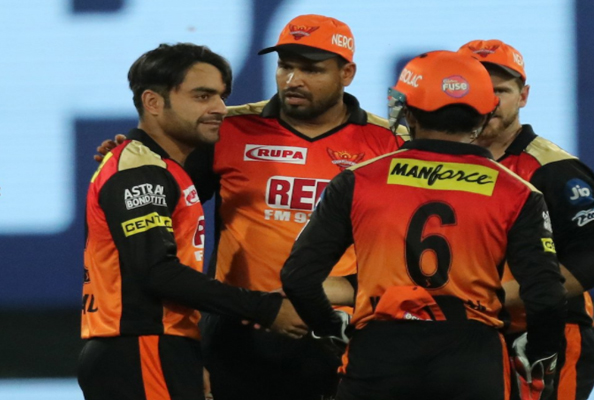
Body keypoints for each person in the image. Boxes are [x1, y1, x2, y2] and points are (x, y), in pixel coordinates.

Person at [96, 14, 407, 400]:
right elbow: (169, 200)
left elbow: (404, 249)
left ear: (347, 73)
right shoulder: (229, 129)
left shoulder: (390, 144)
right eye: (285, 66)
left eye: (311, 69)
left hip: (338, 332)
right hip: (236, 331)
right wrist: (133, 155)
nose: (293, 80)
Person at [281, 50, 567, 400]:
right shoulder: (518, 192)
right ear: (485, 113)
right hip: (472, 358)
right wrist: (540, 352)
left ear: (408, 111)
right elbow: (546, 296)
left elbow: (298, 277)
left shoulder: (357, 180)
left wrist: (329, 327)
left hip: (379, 353)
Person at [79, 43, 307, 400]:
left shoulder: (164, 169)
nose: (219, 108)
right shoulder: (141, 172)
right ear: (153, 102)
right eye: (202, 96)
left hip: (156, 346)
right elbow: (157, 273)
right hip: (142, 348)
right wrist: (266, 309)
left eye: (221, 96)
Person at [458, 39, 594, 400]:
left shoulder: (554, 169)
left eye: (500, 90)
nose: (489, 101)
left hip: (544, 336)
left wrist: (498, 297)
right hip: (464, 333)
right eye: (477, 89)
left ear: (523, 95)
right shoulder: (436, 163)